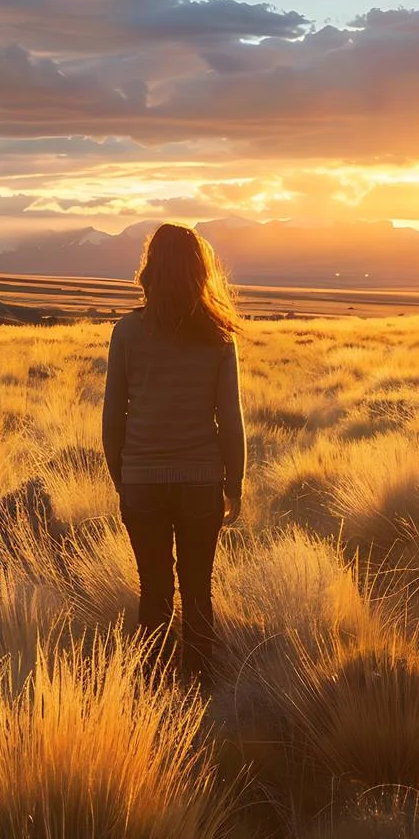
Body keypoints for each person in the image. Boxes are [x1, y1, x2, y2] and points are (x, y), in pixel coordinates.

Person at [102, 223, 245, 687]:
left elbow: (112, 419)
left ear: (150, 270)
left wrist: (124, 479)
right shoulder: (220, 336)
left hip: (142, 482)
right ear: (199, 272)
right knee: (198, 589)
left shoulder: (126, 331)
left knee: (155, 592)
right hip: (201, 482)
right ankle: (202, 687)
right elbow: (231, 420)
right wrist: (234, 484)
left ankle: (154, 687)